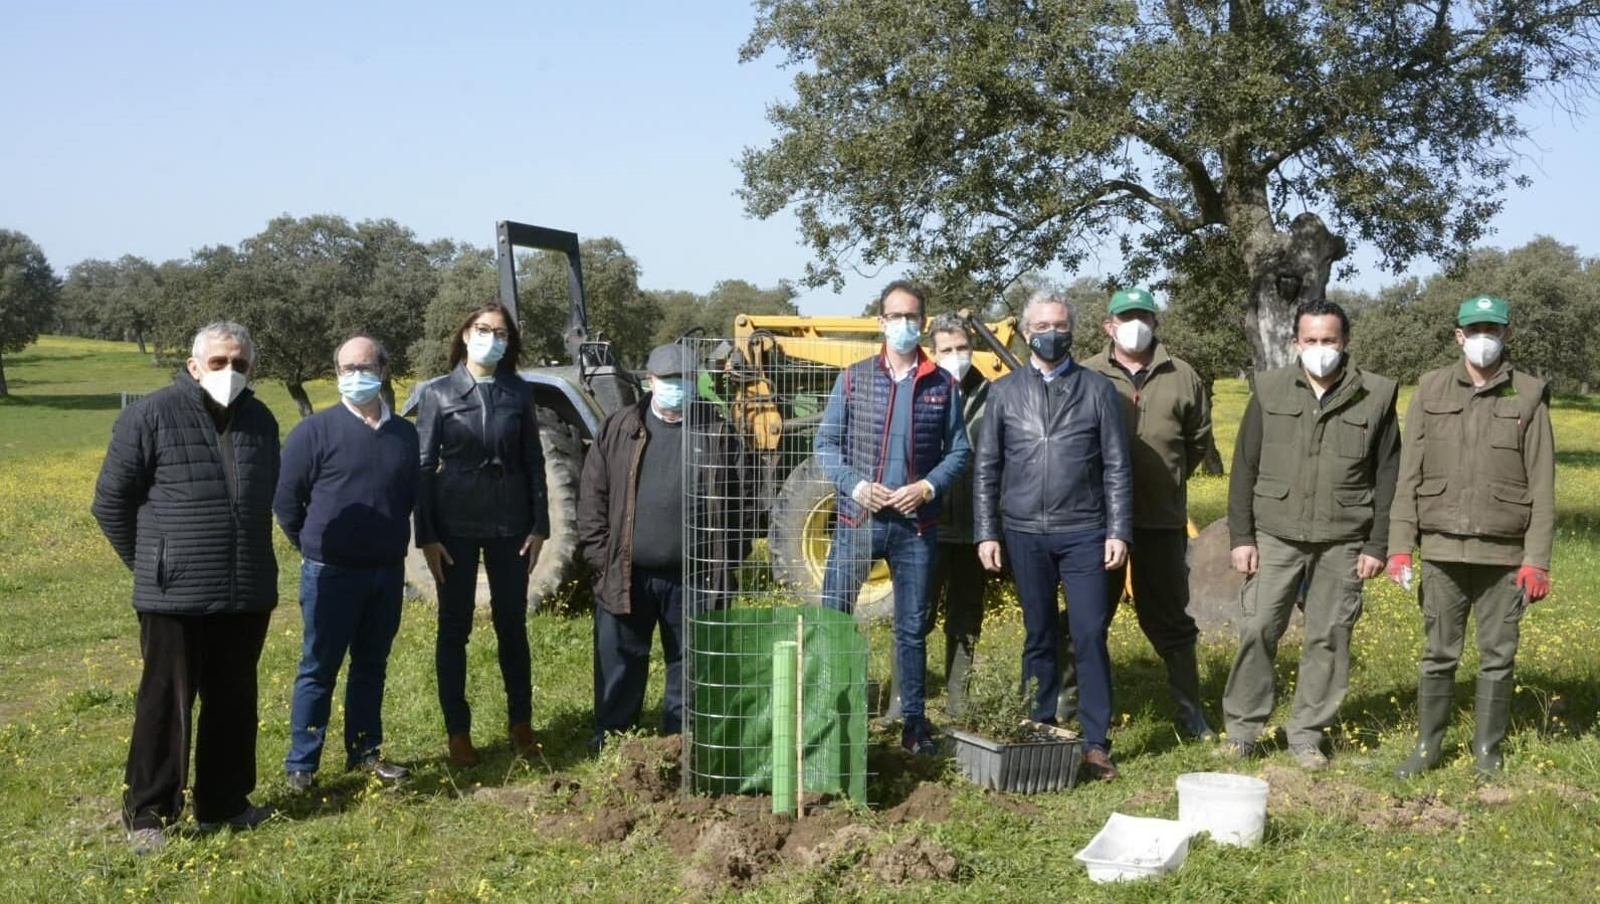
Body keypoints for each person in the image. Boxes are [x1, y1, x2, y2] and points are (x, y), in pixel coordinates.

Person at [92, 321, 280, 853]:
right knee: (164, 704)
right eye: (219, 362)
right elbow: (110, 502)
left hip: (244, 589)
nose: (229, 372)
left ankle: (225, 803)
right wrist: (152, 565)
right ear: (194, 366)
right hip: (173, 593)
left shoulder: (262, 420)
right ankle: (150, 812)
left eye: (240, 364)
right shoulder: (149, 414)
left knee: (234, 700)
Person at [1221, 298, 1400, 771]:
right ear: (1295, 342)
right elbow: (1244, 466)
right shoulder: (1270, 388)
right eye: (1311, 340)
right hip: (1276, 533)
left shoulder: (1377, 395)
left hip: (1344, 538)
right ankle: (1242, 729)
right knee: (1259, 627)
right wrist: (1242, 537)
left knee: (1330, 635)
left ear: (1345, 342)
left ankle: (1306, 734)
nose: (1321, 349)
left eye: (1330, 340)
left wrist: (1377, 544)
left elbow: (1388, 476)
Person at [1387, 295, 1555, 781]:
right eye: (1474, 328)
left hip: (1505, 554)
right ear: (1458, 335)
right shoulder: (1431, 389)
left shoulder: (1527, 394)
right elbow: (1408, 475)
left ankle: (1487, 751)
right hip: (1441, 549)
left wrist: (1536, 559)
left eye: (1493, 329)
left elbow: (1543, 484)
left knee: (1499, 656)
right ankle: (1427, 745)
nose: (1484, 337)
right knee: (1438, 654)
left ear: (1505, 335)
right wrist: (1401, 544)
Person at [974, 291, 1132, 781]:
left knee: (1088, 634)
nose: (1052, 333)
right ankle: (1038, 727)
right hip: (1023, 532)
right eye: (1043, 324)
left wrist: (1119, 529)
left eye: (1061, 325)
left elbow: (1117, 466)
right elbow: (986, 468)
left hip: (1085, 531)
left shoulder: (1098, 390)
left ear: (1073, 331)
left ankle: (1094, 743)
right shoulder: (1003, 393)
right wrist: (987, 532)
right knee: (1038, 634)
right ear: (1025, 331)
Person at [814, 280, 971, 755]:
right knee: (834, 616)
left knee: (910, 628)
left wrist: (926, 487)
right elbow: (825, 445)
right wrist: (857, 487)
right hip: (858, 522)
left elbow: (959, 452)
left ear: (921, 322)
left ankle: (914, 723)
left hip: (915, 528)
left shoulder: (942, 384)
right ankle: (825, 712)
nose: (904, 325)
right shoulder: (854, 378)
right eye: (895, 316)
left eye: (912, 316)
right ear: (881, 321)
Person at [577, 343, 746, 751]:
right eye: (668, 381)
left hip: (695, 575)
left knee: (689, 666)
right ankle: (614, 744)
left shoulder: (719, 430)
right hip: (627, 573)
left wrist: (726, 560)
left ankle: (682, 744)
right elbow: (591, 497)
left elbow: (744, 503)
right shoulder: (619, 428)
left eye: (684, 381)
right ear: (649, 381)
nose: (676, 388)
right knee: (619, 664)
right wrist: (601, 559)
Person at [274, 336, 419, 792]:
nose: (355, 375)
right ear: (336, 374)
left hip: (386, 570)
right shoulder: (312, 432)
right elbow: (285, 502)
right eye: (345, 367)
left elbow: (408, 495)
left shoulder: (404, 433)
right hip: (329, 572)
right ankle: (302, 764)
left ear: (383, 368)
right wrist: (315, 545)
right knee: (319, 667)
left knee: (371, 666)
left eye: (364, 365)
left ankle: (364, 752)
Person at [414, 302, 549, 767]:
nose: (492, 338)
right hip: (455, 529)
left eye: (502, 332)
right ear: (466, 335)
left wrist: (540, 525)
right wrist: (426, 535)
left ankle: (521, 725)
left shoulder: (519, 393)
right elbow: (424, 467)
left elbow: (534, 461)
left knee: (513, 626)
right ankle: (458, 732)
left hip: (511, 527)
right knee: (455, 629)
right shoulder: (437, 394)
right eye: (483, 329)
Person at [1082, 288, 1216, 740]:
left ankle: (1189, 709)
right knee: (1088, 614)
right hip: (1098, 523)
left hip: (1161, 518)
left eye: (1143, 316)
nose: (1134, 324)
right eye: (1125, 316)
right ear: (1109, 325)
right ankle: (1067, 704)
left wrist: (1169, 479)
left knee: (1171, 618)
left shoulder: (1183, 375)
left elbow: (1198, 442)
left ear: (1156, 323)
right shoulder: (1087, 374)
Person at [878, 312, 991, 720]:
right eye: (947, 350)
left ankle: (959, 703)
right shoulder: (918, 391)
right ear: (933, 351)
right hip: (924, 525)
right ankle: (902, 704)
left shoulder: (991, 396)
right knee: (915, 616)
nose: (956, 356)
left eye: (962, 348)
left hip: (975, 528)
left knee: (965, 617)